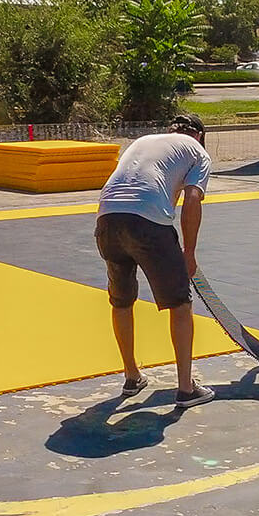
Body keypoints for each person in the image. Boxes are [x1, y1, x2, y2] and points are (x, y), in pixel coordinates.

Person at [94, 113, 215, 408]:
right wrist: (188, 254)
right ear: (199, 135)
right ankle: (186, 388)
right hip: (146, 223)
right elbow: (192, 200)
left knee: (121, 301)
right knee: (181, 305)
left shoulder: (144, 141)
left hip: (106, 218)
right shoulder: (197, 152)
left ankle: (132, 376)